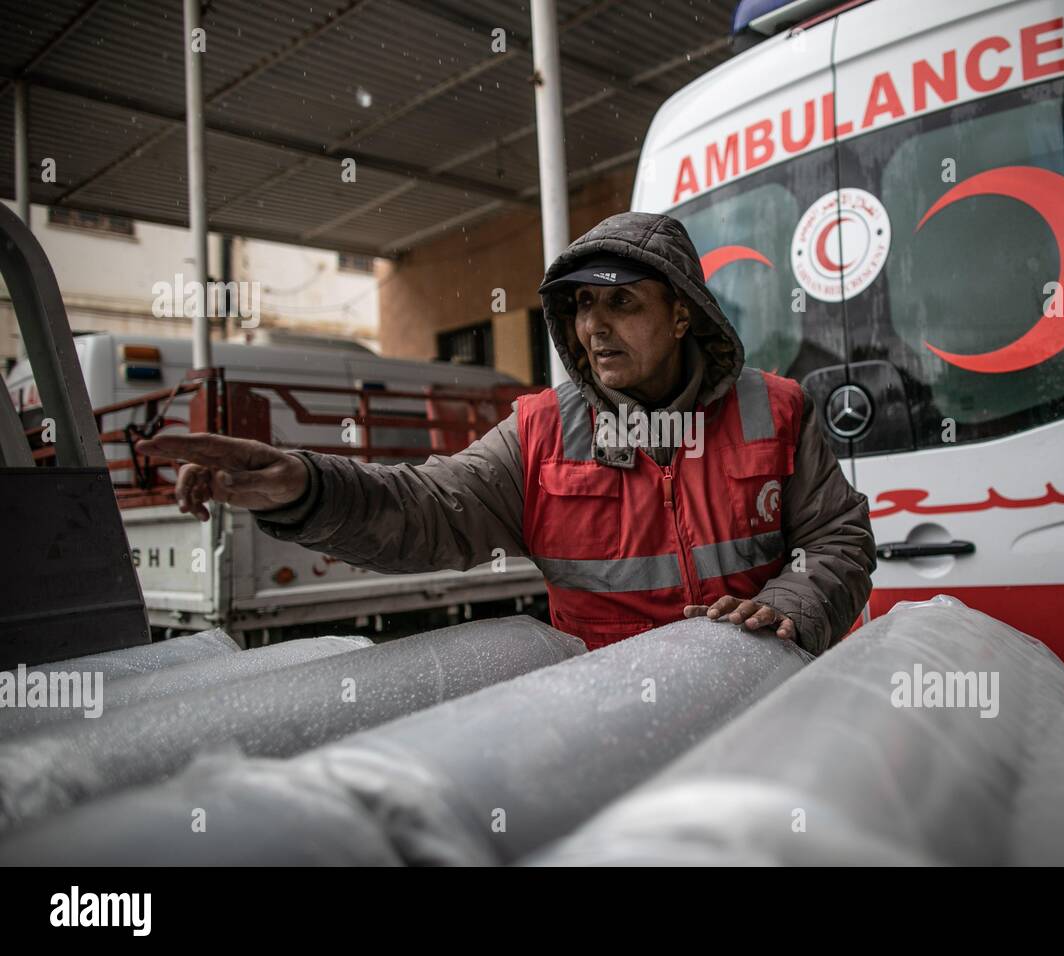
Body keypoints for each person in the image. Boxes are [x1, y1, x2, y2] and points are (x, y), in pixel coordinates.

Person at [137, 212, 876, 654]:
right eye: (582, 305)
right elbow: (425, 508)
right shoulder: (541, 434)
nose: (593, 326)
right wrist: (304, 485)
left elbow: (838, 539)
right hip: (617, 732)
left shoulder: (775, 412)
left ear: (682, 313)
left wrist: (793, 603)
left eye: (620, 302)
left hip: (766, 714)